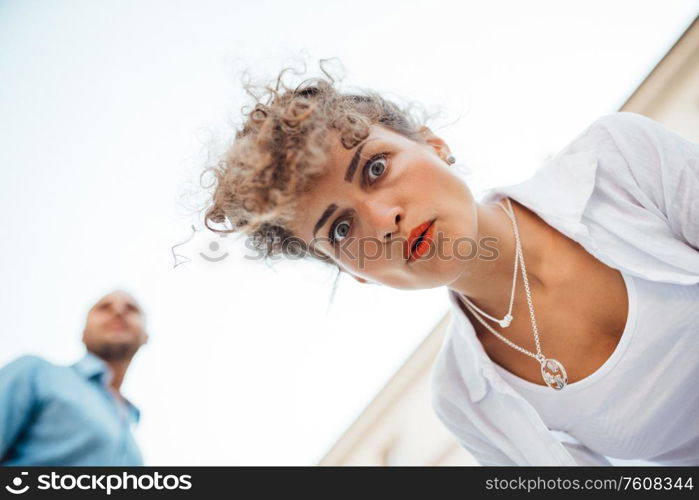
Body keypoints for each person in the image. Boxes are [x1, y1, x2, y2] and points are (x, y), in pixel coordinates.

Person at [202, 66, 699, 466]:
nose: (383, 220)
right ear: (353, 270)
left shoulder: (620, 160)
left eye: (375, 168)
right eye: (340, 229)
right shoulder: (464, 400)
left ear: (433, 143)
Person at [0, 289, 148, 465]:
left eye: (131, 309)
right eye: (104, 307)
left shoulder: (132, 443)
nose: (118, 311)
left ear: (145, 337)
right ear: (83, 334)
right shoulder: (36, 373)